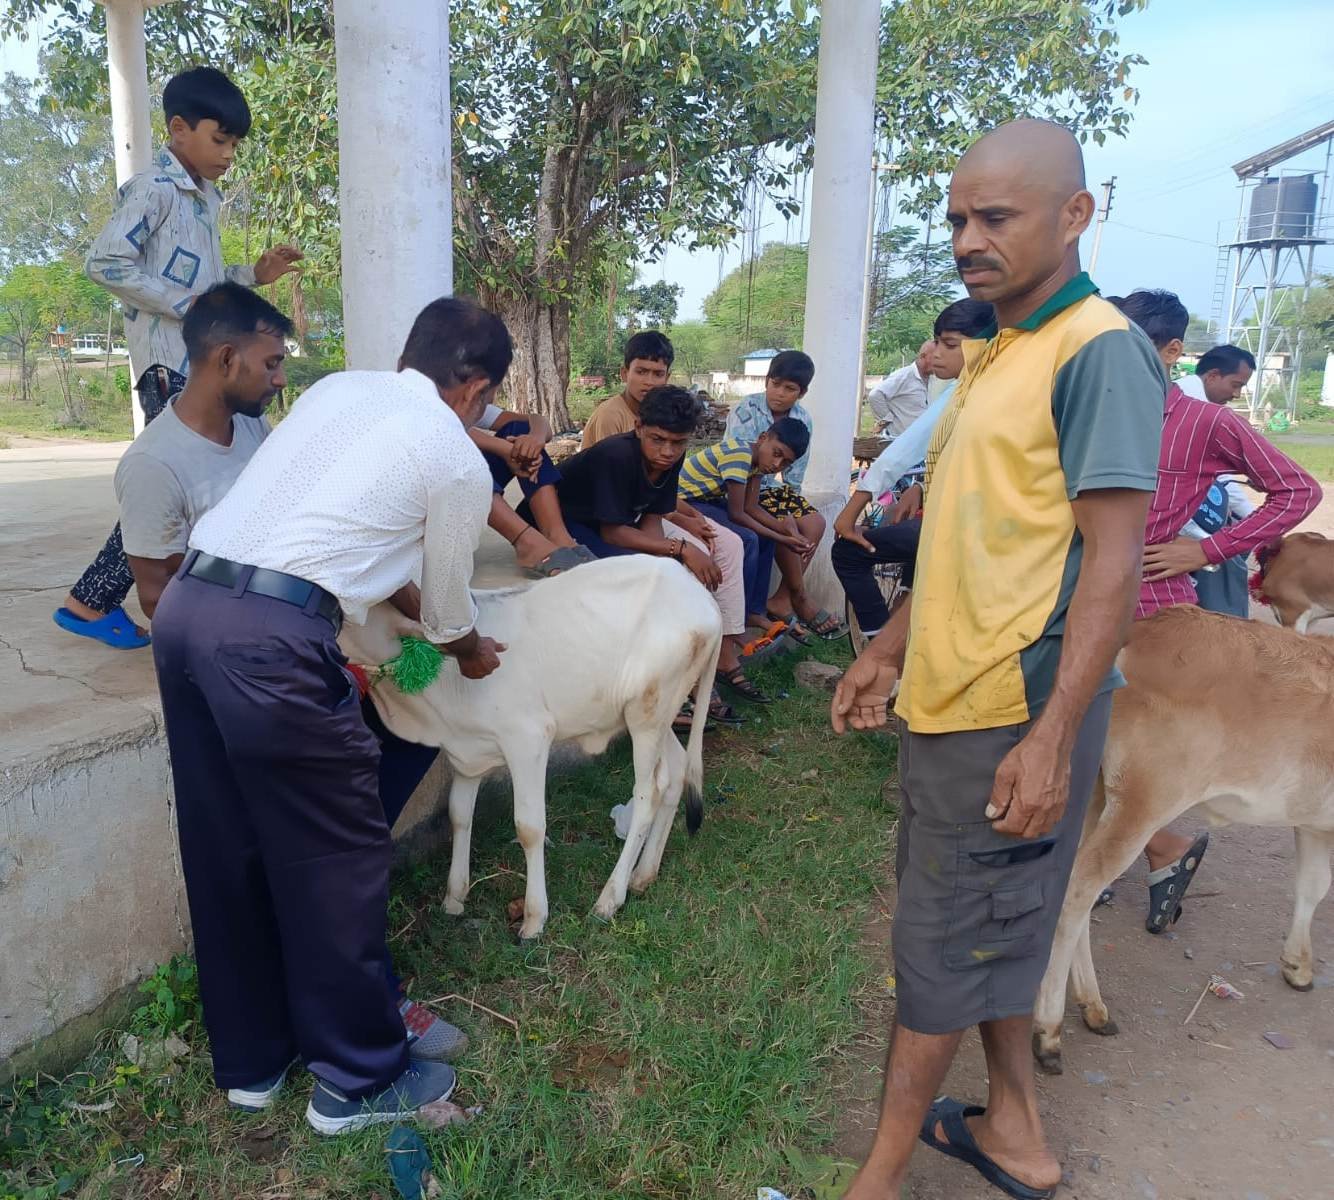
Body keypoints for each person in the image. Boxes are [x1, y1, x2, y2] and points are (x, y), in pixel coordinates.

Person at [832, 120, 1165, 1200]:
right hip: (951, 696)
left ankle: (874, 1180)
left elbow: (1113, 562)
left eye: (995, 216)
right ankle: (1013, 1126)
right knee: (989, 928)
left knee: (938, 949)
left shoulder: (1095, 350)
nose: (967, 238)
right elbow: (973, 534)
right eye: (956, 219)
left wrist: (1052, 735)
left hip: (1010, 710)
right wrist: (888, 643)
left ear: (1075, 215)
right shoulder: (997, 349)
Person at [150, 296, 509, 1135]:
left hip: (189, 609)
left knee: (226, 845)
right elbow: (451, 620)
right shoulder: (455, 459)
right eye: (490, 398)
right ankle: (356, 1080)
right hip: (277, 646)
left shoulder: (334, 392)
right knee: (334, 864)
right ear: (477, 386)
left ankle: (253, 1062)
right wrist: (469, 650)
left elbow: (346, 542)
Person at [55, 66, 302, 651]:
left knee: (206, 483)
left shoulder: (203, 198)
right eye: (221, 139)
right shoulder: (154, 190)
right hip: (174, 364)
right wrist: (187, 305)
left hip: (207, 361)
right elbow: (105, 263)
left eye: (235, 144)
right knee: (167, 490)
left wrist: (253, 276)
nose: (229, 154)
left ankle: (103, 600)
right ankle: (92, 603)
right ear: (178, 128)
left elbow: (211, 287)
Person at [1111, 297, 1321, 934]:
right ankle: (1151, 852)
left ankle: (1141, 852)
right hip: (1066, 597)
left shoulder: (1203, 423)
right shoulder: (1086, 409)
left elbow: (1299, 489)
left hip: (1149, 616)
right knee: (1089, 746)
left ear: (1172, 352)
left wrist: (1207, 547)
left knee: (1138, 752)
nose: (1108, 360)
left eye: (1129, 346)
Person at [551, 385, 765, 703]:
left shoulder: (669, 460)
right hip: (565, 520)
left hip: (610, 522)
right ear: (638, 428)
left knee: (667, 575)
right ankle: (651, 684)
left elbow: (652, 518)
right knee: (635, 579)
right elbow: (613, 533)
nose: (667, 451)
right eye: (658, 440)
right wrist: (680, 550)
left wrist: (669, 561)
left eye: (678, 443)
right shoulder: (617, 455)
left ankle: (690, 670)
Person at [114, 283, 290, 621]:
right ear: (226, 359)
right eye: (271, 364)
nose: (280, 380)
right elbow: (155, 597)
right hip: (229, 642)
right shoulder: (153, 466)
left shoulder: (250, 423)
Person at [831, 299, 994, 638]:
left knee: (848, 552)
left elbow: (907, 447)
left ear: (984, 345)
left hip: (968, 529)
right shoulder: (964, 388)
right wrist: (921, 489)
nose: (935, 353)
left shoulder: (973, 388)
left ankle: (880, 645)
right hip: (956, 518)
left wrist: (851, 512)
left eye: (948, 344)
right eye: (936, 341)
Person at [724, 350, 839, 638]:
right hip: (743, 483)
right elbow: (739, 461)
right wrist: (783, 516)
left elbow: (794, 473)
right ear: (767, 381)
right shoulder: (746, 409)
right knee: (786, 529)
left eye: (789, 389)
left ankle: (782, 598)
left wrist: (789, 506)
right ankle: (800, 596)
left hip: (774, 488)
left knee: (814, 524)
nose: (779, 394)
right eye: (775, 384)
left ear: (802, 392)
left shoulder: (802, 419)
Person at [677, 419, 812, 642]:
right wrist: (782, 536)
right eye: (776, 453)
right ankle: (736, 620)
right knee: (749, 539)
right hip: (686, 502)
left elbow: (752, 507)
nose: (777, 464)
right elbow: (737, 514)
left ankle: (754, 611)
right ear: (762, 438)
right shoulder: (739, 454)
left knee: (766, 539)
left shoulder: (758, 462)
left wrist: (786, 531)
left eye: (785, 463)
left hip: (708, 501)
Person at [468, 402, 593, 577]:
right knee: (459, 461)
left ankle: (557, 535)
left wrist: (534, 440)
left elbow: (537, 421)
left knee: (521, 430)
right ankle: (527, 543)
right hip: (442, 491)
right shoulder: (426, 403)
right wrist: (506, 449)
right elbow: (444, 429)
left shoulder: (470, 401)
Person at [580, 330, 674, 449]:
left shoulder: (660, 414)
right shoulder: (610, 415)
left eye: (658, 374)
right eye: (641, 372)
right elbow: (610, 465)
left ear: (667, 377)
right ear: (624, 373)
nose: (649, 382)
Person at [865, 339, 933, 438]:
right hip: (899, 440)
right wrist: (886, 419)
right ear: (923, 356)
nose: (939, 362)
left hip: (921, 440)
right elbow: (875, 395)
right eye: (935, 358)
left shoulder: (935, 379)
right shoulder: (903, 376)